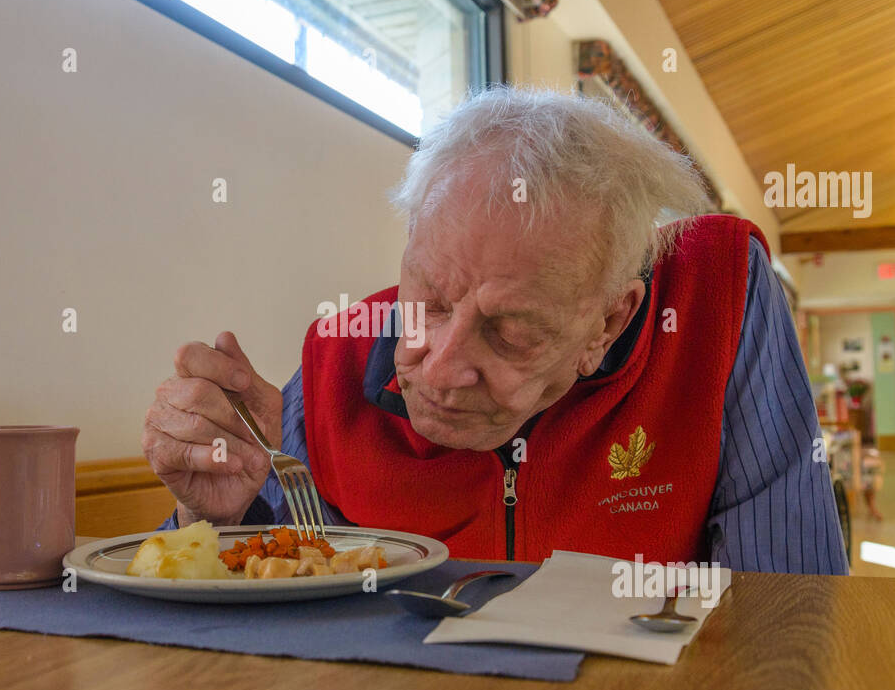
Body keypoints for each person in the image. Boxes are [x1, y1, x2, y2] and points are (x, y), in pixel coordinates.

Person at [142, 86, 848, 573]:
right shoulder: (338, 358)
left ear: (611, 318)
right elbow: (267, 593)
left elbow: (788, 610)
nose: (442, 367)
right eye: (432, 299)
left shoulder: (714, 303)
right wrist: (214, 517)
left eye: (511, 330)